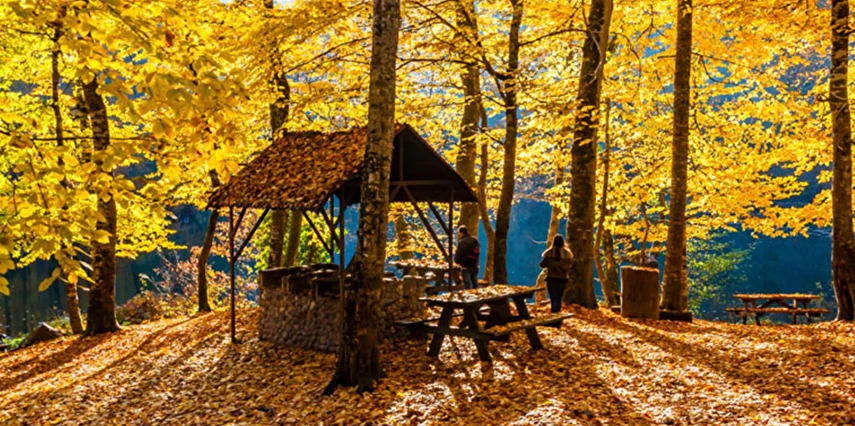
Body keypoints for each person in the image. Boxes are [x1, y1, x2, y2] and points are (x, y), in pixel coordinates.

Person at [539, 235, 573, 313]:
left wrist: (551, 264)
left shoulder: (548, 253)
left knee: (553, 298)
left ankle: (554, 313)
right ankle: (558, 313)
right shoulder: (567, 254)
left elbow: (542, 265)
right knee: (559, 298)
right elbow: (570, 266)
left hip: (551, 279)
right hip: (562, 279)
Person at [454, 225, 480, 290]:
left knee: (467, 282)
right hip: (474, 264)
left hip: (465, 265)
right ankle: (476, 296)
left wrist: (456, 261)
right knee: (475, 282)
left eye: (459, 233)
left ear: (461, 233)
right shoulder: (474, 239)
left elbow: (459, 253)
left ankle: (469, 297)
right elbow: (477, 250)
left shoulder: (462, 242)